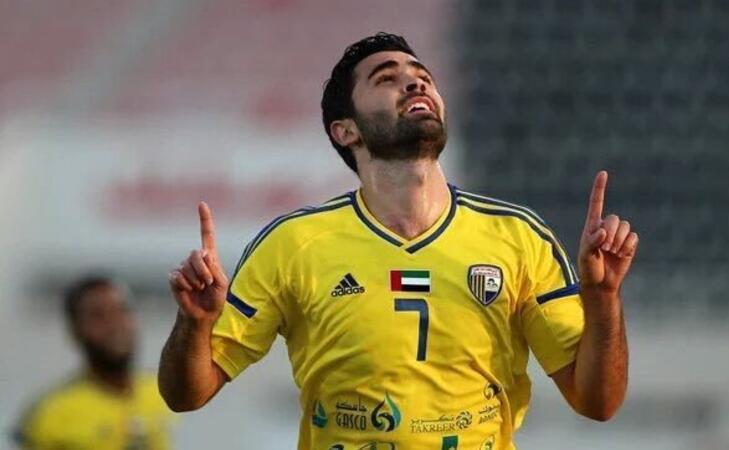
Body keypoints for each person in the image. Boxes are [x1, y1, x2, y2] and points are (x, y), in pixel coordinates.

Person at [158, 33, 639, 450]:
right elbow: (186, 395)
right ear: (346, 131)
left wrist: (603, 298)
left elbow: (598, 402)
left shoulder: (519, 237)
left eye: (422, 76)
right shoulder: (293, 244)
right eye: (386, 78)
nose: (414, 83)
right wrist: (194, 325)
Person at [14, 275, 174, 450]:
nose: (115, 324)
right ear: (75, 331)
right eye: (98, 315)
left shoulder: (164, 391)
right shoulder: (50, 415)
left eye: (121, 310)